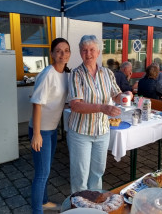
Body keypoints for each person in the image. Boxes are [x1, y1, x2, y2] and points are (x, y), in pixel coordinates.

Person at [67, 35, 132, 193]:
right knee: (80, 175)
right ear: (80, 52)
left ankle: (94, 203)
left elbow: (116, 95)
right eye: (84, 50)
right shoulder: (76, 74)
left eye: (91, 50)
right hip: (81, 132)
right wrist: (103, 108)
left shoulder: (107, 73)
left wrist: (125, 96)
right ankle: (80, 207)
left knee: (97, 173)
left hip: (102, 131)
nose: (88, 53)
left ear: (98, 52)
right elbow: (75, 105)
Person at [28, 38, 71, 214]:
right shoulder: (47, 74)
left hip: (52, 129)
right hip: (41, 130)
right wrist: (36, 134)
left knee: (45, 169)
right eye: (59, 51)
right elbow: (37, 104)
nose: (63, 54)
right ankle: (37, 209)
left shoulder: (65, 74)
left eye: (66, 50)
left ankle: (44, 201)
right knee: (42, 173)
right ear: (52, 54)